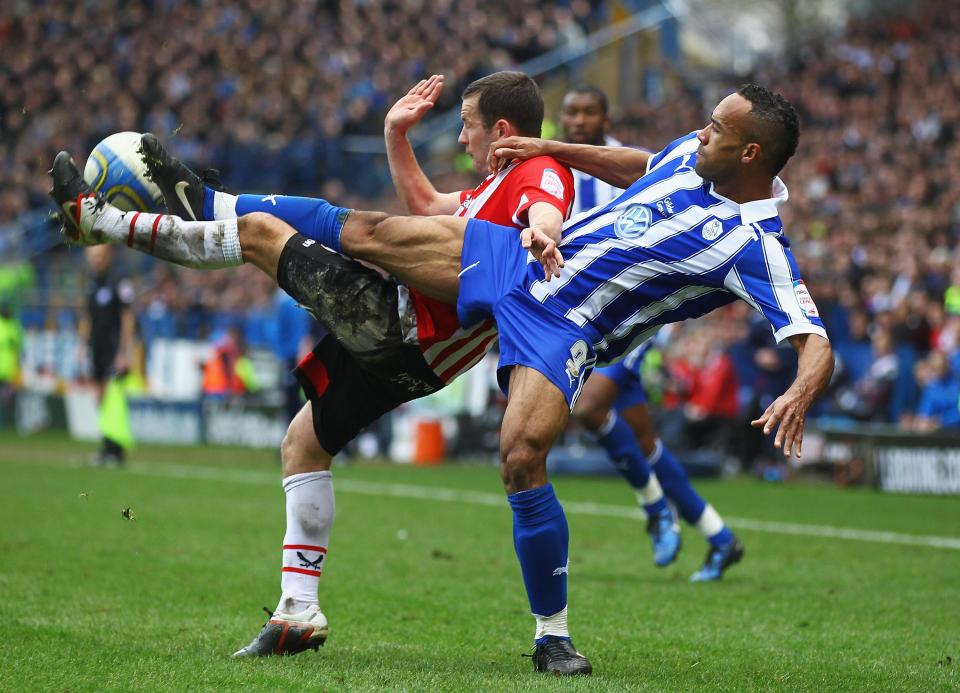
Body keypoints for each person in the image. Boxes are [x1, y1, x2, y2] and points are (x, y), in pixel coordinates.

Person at [51, 83, 834, 676]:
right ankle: (194, 203)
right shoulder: (686, 158)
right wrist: (553, 150)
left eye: (716, 130)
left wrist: (800, 388)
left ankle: (551, 634)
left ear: (751, 155)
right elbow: (638, 164)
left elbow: (814, 339)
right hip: (511, 269)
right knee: (362, 246)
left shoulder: (753, 243)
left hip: (563, 321)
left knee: (521, 452)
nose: (699, 134)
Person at [558, 85, 743, 579]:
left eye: (588, 109)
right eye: (570, 111)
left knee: (589, 405)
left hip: (631, 318)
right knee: (643, 443)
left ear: (605, 114)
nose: (578, 119)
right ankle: (719, 536)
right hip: (580, 313)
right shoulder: (550, 172)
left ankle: (656, 509)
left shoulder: (631, 168)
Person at [80, 245, 135, 466]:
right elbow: (86, 316)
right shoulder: (91, 282)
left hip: (113, 347)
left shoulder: (119, 280)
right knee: (100, 396)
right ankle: (107, 446)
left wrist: (123, 351)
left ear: (109, 256)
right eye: (93, 256)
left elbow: (127, 317)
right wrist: (82, 344)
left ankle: (115, 449)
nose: (96, 260)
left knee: (113, 397)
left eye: (100, 255)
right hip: (96, 347)